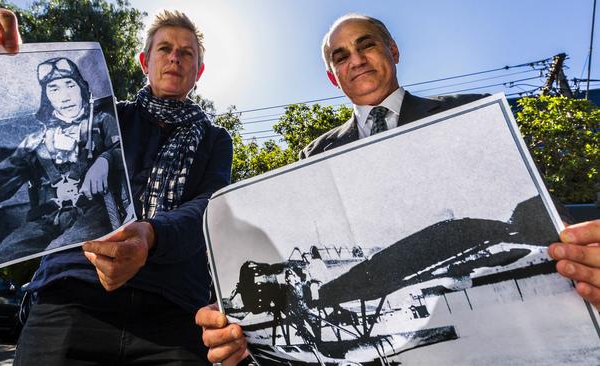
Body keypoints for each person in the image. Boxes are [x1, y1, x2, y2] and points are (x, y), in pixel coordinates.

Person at [194, 13, 600, 365]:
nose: (355, 60)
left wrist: (582, 258)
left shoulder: (469, 113)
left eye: (366, 45)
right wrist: (242, 336)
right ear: (332, 77)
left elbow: (543, 217)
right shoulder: (313, 156)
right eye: (341, 56)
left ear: (393, 51)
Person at [0, 1, 232, 364]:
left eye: (186, 53)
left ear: (199, 71)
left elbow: (209, 208)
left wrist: (150, 235)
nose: (175, 58)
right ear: (145, 62)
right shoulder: (103, 118)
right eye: (165, 48)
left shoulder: (214, 139)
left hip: (173, 313)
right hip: (71, 296)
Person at [0, 56, 124, 264]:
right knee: (7, 251)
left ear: (81, 88)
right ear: (47, 97)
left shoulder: (102, 123)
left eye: (69, 85)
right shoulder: (36, 141)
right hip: (45, 218)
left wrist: (105, 159)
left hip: (92, 213)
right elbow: (7, 171)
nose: (65, 96)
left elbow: (123, 151)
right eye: (54, 89)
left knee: (59, 253)